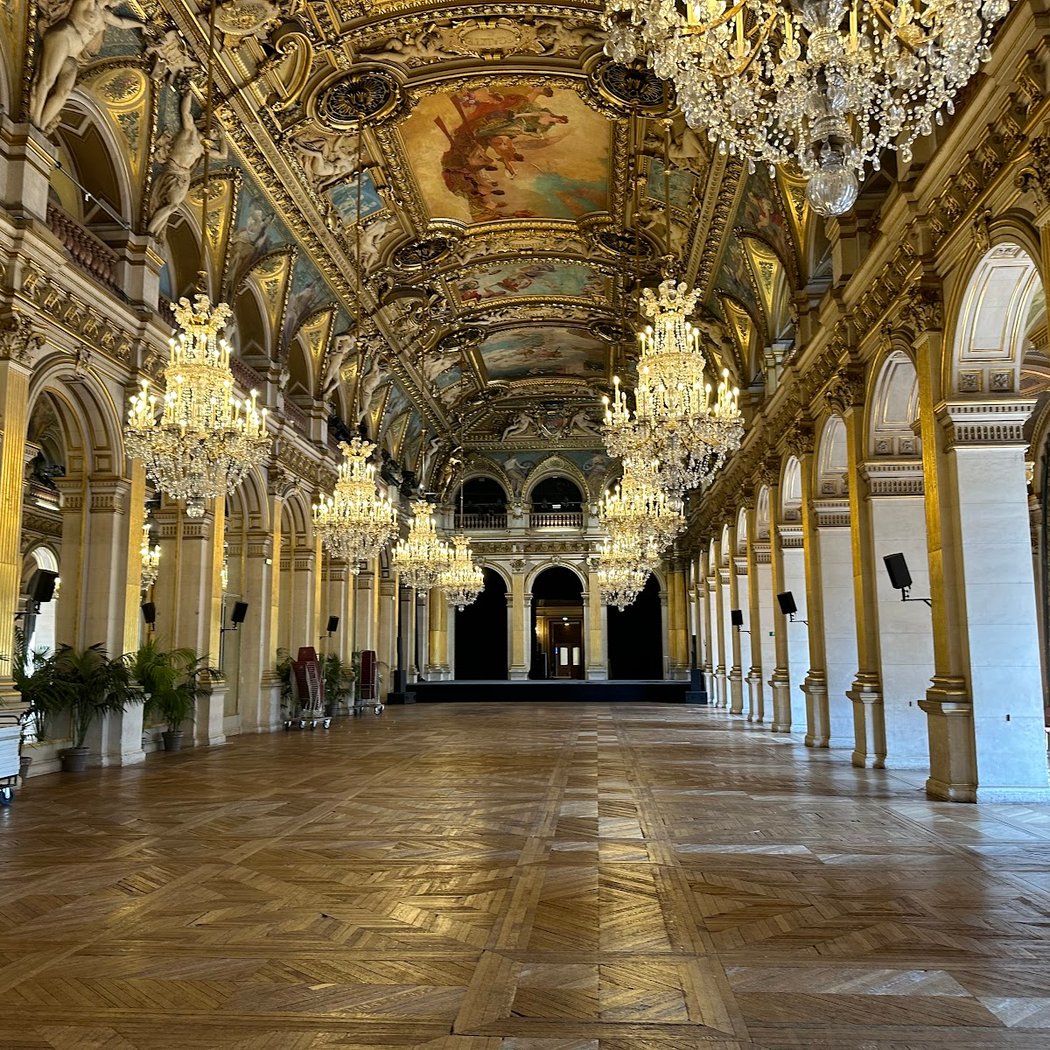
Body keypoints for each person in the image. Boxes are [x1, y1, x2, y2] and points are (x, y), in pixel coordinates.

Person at [30, 0, 145, 131]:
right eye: (119, 0)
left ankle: (41, 126)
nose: (119, 3)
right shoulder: (88, 2)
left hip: (73, 55)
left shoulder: (104, 15)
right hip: (63, 37)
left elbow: (122, 23)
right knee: (47, 80)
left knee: (64, 92)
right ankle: (35, 119)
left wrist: (142, 25)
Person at [147, 86, 204, 239]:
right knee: (170, 204)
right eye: (214, 130)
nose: (214, 134)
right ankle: (150, 230)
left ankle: (155, 233)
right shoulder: (190, 131)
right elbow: (185, 113)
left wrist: (224, 135)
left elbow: (223, 155)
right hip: (173, 169)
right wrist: (189, 93)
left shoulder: (202, 149)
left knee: (173, 206)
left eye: (216, 133)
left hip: (184, 175)